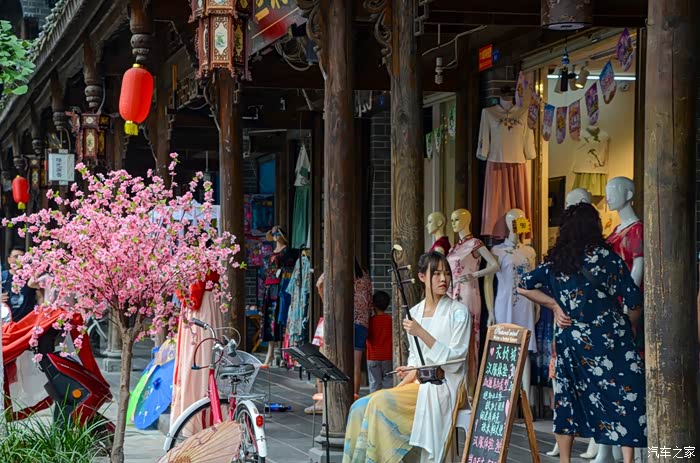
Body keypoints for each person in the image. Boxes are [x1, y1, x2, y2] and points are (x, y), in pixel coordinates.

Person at [517, 203, 646, 463]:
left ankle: (565, 459)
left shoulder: (558, 262)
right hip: (612, 339)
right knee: (624, 397)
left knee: (567, 400)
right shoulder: (610, 258)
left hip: (573, 339)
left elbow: (523, 286)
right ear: (595, 227)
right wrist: (626, 328)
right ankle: (628, 460)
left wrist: (555, 306)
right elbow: (634, 301)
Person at [343, 251, 471, 463]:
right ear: (422, 277)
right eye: (436, 273)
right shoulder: (415, 312)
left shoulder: (458, 312)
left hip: (445, 384)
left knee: (379, 403)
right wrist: (409, 371)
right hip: (419, 382)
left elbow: (455, 361)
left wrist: (422, 333)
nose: (444, 279)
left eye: (447, 273)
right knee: (359, 407)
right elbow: (415, 358)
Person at [170, 271, 224, 431]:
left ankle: (194, 417)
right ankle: (210, 413)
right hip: (209, 306)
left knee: (196, 359)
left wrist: (180, 290)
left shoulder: (196, 261)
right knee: (208, 356)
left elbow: (193, 300)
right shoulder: (210, 260)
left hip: (199, 311)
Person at [366, 290, 393, 393]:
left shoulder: (370, 321)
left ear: (373, 305)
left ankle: (374, 402)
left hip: (373, 356)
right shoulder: (391, 320)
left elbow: (367, 337)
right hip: (388, 356)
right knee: (389, 384)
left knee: (374, 385)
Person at [2, 246, 37, 322]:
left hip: (26, 323)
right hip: (5, 323)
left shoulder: (31, 278)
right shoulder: (2, 277)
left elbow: (40, 297)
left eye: (22, 257)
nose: (18, 259)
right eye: (15, 257)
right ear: (9, 260)